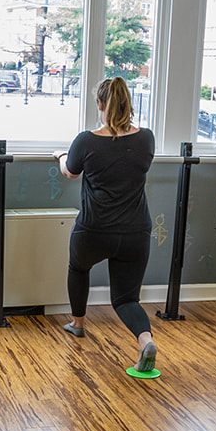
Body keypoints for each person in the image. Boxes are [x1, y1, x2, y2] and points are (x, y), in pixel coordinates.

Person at [55, 77, 159, 375]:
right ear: (129, 104)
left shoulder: (86, 140)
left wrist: (60, 155)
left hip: (94, 229)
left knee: (78, 268)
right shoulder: (147, 138)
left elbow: (70, 172)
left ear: (100, 104)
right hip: (136, 232)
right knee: (126, 298)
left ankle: (78, 323)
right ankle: (144, 341)